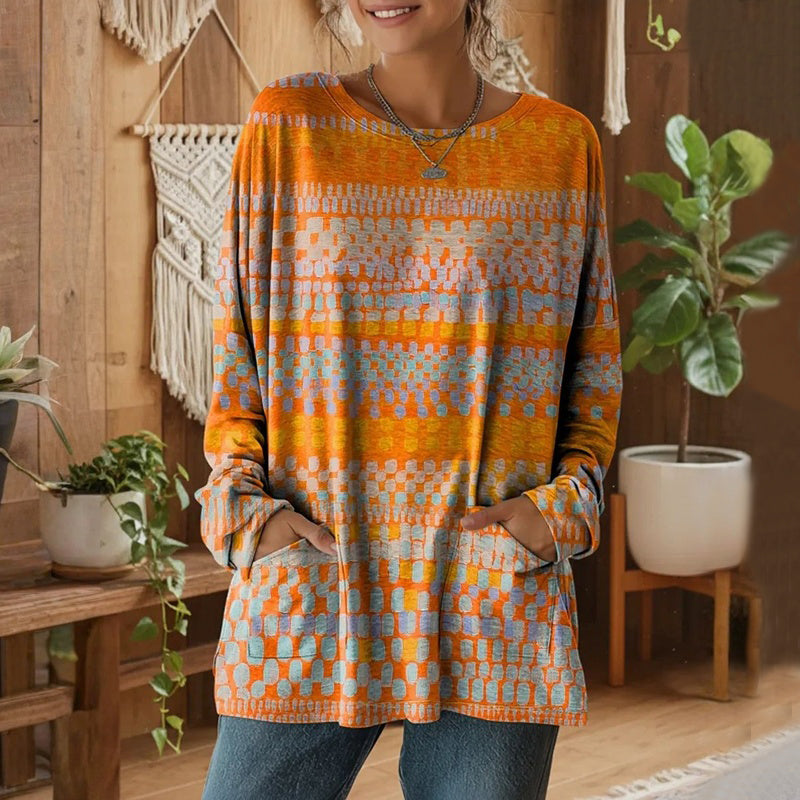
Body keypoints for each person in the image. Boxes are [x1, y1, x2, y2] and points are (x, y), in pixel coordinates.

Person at [195, 0, 622, 797]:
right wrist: (245, 512)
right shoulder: (288, 126)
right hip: (314, 576)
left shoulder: (560, 146)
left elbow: (592, 368)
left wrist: (559, 512)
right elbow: (237, 351)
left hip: (488, 589)